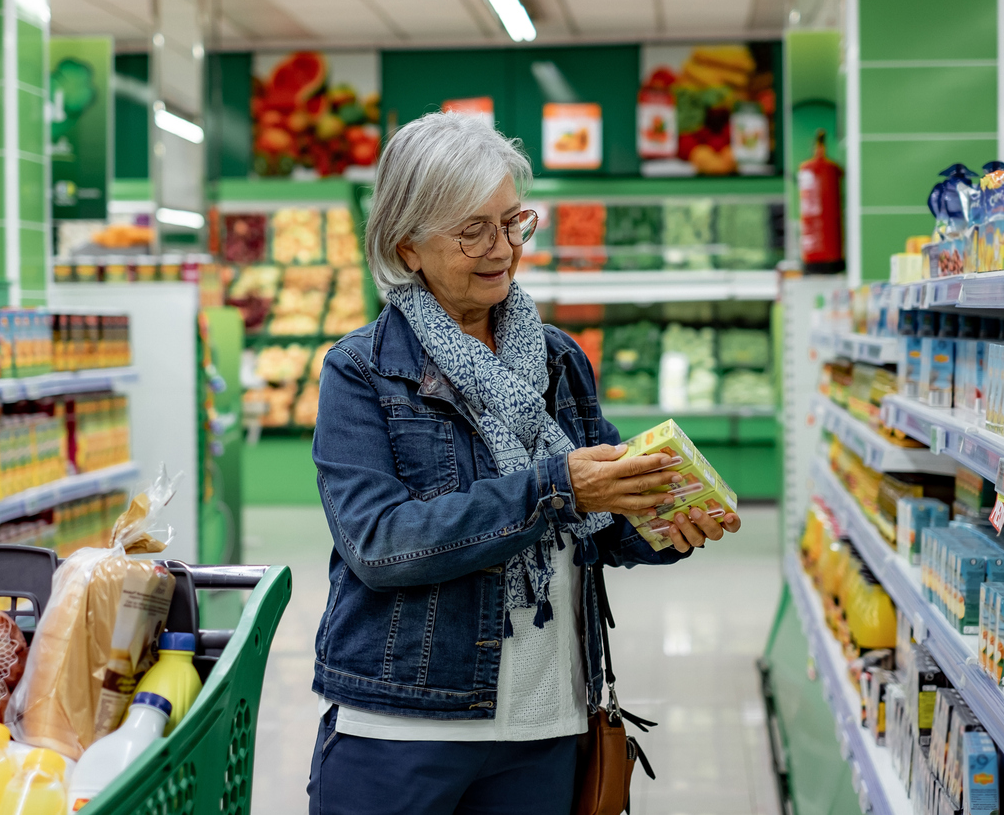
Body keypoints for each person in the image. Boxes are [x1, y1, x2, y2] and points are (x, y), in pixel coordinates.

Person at [307, 112, 742, 815]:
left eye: (512, 222)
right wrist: (556, 489)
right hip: (406, 722)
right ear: (406, 246)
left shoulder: (558, 358)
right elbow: (379, 544)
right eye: (471, 230)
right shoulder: (361, 371)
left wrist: (662, 522)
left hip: (546, 718)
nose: (502, 249)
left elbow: (596, 523)